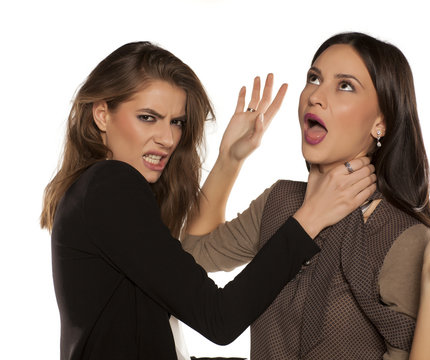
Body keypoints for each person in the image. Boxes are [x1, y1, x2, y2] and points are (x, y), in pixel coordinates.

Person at [182, 32, 430, 360]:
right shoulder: (282, 201)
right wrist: (230, 158)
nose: (315, 96)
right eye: (314, 78)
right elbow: (192, 257)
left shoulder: (398, 236)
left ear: (381, 122)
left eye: (345, 86)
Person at [40, 41, 379, 360]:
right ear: (102, 115)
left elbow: (190, 258)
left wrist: (229, 159)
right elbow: (220, 318)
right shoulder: (110, 185)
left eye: (177, 122)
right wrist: (311, 217)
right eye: (147, 117)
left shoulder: (96, 193)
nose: (168, 138)